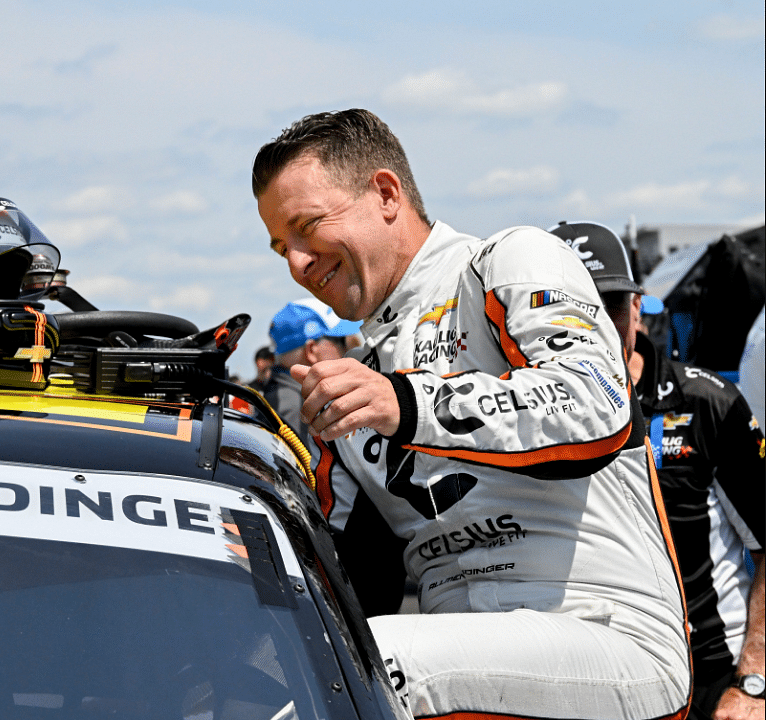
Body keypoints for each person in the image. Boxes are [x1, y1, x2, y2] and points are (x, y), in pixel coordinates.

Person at [252, 109, 689, 719]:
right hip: (454, 650)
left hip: (607, 633)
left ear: (385, 194)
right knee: (263, 676)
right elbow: (352, 579)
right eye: (281, 247)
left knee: (350, 667)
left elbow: (598, 410)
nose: (297, 263)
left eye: (307, 226)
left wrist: (406, 403)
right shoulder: (355, 376)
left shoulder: (507, 260)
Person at [552, 220, 764, 720]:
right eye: (573, 311)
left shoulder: (707, 403)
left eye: (607, 306)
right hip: (592, 680)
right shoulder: (519, 419)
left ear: (637, 308)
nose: (595, 328)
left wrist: (754, 681)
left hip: (714, 681)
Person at [263, 298, 354, 462]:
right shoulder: (295, 407)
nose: (347, 349)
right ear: (312, 350)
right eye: (340, 341)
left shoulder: (285, 396)